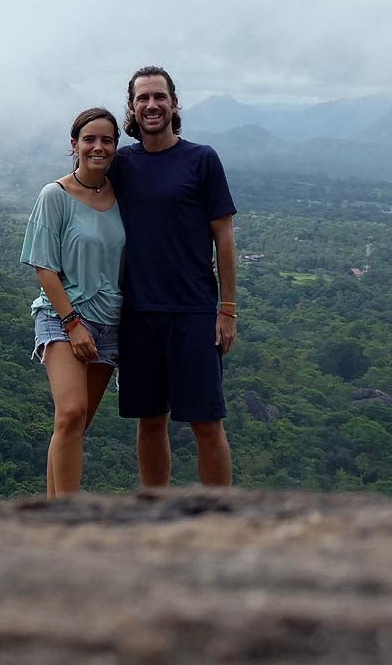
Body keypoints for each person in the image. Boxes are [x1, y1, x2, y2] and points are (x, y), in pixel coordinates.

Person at [110, 65, 237, 486]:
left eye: (159, 96)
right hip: (138, 312)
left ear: (174, 102)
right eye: (142, 98)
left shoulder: (201, 160)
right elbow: (79, 189)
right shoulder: (121, 163)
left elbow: (224, 239)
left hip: (194, 312)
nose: (151, 105)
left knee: (206, 422)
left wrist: (228, 309)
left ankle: (219, 519)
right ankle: (155, 513)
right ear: (131, 107)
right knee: (150, 421)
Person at [20, 107, 126, 497]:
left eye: (107, 140)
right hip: (63, 317)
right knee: (70, 412)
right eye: (90, 139)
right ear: (74, 145)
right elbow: (43, 267)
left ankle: (53, 512)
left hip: (110, 323)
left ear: (116, 146)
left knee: (75, 426)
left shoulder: (123, 194)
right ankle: (66, 516)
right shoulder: (56, 195)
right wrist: (72, 323)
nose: (98, 147)